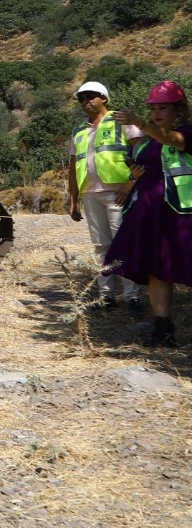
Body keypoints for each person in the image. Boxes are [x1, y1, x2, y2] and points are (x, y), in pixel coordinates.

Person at [103, 81, 192, 347]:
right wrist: (130, 180)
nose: (156, 113)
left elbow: (171, 140)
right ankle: (163, 330)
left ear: (179, 110)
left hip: (181, 215)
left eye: (162, 108)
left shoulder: (186, 132)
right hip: (151, 215)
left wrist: (140, 122)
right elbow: (140, 171)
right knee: (157, 271)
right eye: (153, 109)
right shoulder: (145, 143)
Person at [67, 80, 145, 309]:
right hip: (91, 194)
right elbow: (74, 166)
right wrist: (73, 200)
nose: (85, 101)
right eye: (81, 98)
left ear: (104, 98)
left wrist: (131, 183)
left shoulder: (121, 121)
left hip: (120, 193)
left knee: (125, 242)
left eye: (90, 96)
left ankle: (132, 296)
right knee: (101, 245)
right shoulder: (79, 131)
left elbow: (142, 153)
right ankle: (106, 295)